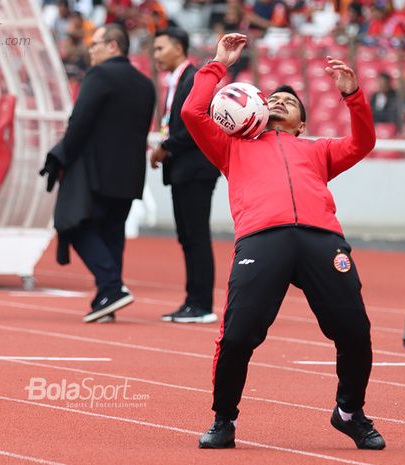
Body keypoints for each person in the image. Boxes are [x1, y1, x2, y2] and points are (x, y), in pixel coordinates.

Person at [181, 33, 385, 451]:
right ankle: (224, 419)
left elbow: (363, 142)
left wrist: (353, 96)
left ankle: (349, 413)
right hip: (261, 241)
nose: (279, 102)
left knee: (355, 332)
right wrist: (219, 63)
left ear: (303, 124)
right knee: (237, 335)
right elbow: (191, 109)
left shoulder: (319, 150)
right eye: (272, 99)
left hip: (322, 241)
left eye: (289, 102)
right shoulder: (231, 147)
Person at [40, 24, 155, 323]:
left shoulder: (99, 75)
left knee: (73, 224)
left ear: (114, 46)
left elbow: (80, 122)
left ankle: (111, 287)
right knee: (112, 234)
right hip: (129, 173)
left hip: (95, 171)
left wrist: (62, 155)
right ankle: (107, 298)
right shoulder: (146, 83)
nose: (91, 50)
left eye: (97, 44)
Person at [151, 27, 220, 324]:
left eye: (160, 49)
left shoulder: (193, 79)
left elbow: (193, 124)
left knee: (196, 236)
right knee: (188, 237)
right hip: (184, 169)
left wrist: (164, 147)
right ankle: (192, 301)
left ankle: (201, 304)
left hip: (196, 169)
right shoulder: (178, 80)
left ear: (178, 48)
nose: (156, 55)